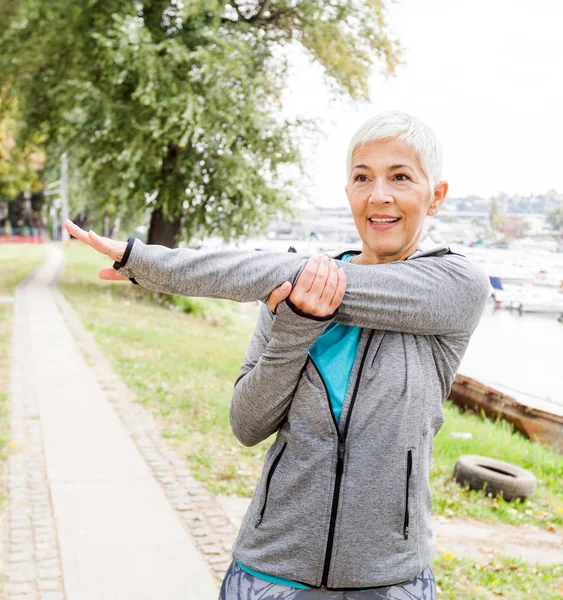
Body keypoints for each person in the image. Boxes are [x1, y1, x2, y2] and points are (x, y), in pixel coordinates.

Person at [65, 111, 491, 599]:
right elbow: (247, 426)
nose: (379, 195)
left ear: (435, 195)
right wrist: (295, 328)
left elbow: (285, 273)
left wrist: (149, 264)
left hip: (389, 580)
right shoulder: (292, 295)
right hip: (270, 573)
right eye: (362, 178)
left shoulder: (455, 287)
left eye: (400, 177)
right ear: (348, 192)